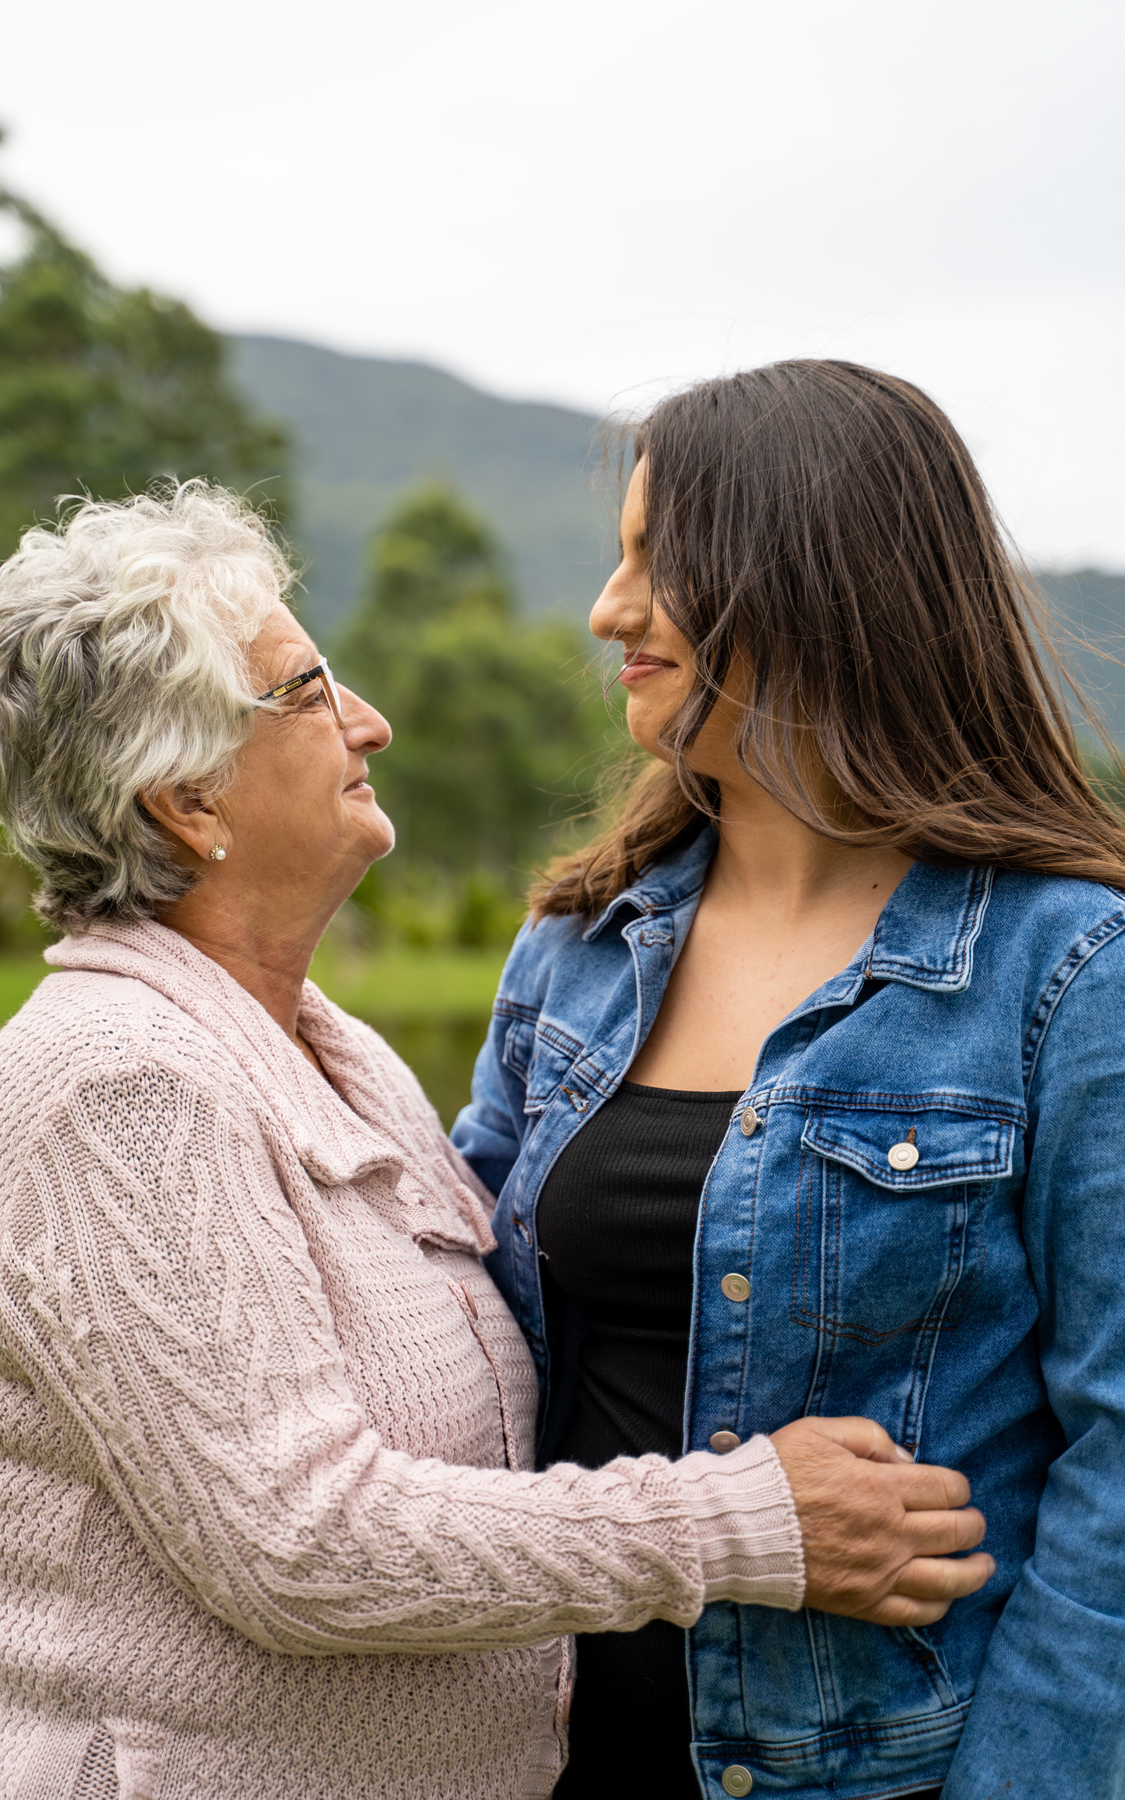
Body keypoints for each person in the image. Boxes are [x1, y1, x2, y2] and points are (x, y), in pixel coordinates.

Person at [0, 482, 986, 1800]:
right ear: (186, 801)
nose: (367, 721)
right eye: (309, 695)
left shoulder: (338, 1056)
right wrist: (752, 1518)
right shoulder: (123, 1087)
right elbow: (306, 1545)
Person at [453, 359, 1125, 1800]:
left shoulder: (1067, 971)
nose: (607, 610)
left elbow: (1120, 1474)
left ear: (811, 583)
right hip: (526, 1750)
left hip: (875, 1771)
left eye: (655, 564)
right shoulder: (577, 946)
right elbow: (457, 1328)